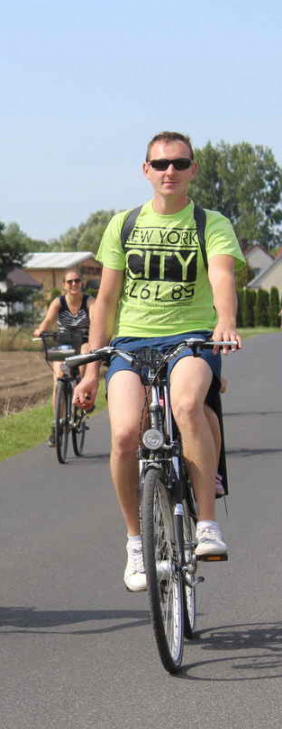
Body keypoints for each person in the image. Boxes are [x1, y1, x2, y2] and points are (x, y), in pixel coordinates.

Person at [73, 131, 243, 592]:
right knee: (126, 434)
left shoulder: (212, 223)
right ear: (145, 170)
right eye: (161, 164)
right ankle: (135, 540)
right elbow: (105, 301)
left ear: (193, 170)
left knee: (188, 406)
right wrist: (91, 370)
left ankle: (206, 524)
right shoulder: (123, 225)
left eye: (180, 163)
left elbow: (222, 276)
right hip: (132, 342)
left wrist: (224, 321)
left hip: (191, 337)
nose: (170, 171)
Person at [33, 269, 92, 447]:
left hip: (83, 339)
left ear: (82, 282)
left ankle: (83, 393)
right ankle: (57, 424)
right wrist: (40, 330)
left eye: (77, 281)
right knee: (58, 377)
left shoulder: (89, 301)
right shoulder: (58, 302)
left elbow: (96, 319)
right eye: (70, 282)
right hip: (64, 341)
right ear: (64, 285)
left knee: (84, 355)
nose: (73, 284)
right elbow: (48, 320)